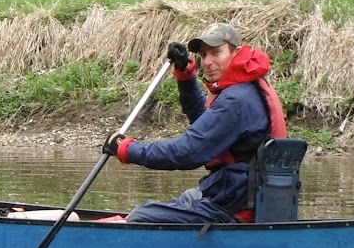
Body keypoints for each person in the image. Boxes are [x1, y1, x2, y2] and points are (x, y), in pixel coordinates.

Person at [105, 21, 287, 224]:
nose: (207, 62)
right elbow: (204, 120)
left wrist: (127, 150)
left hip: (236, 211)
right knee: (185, 198)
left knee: (142, 215)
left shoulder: (237, 100)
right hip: (231, 197)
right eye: (203, 55)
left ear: (236, 53)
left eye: (216, 53)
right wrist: (185, 75)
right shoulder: (244, 90)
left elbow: (187, 152)